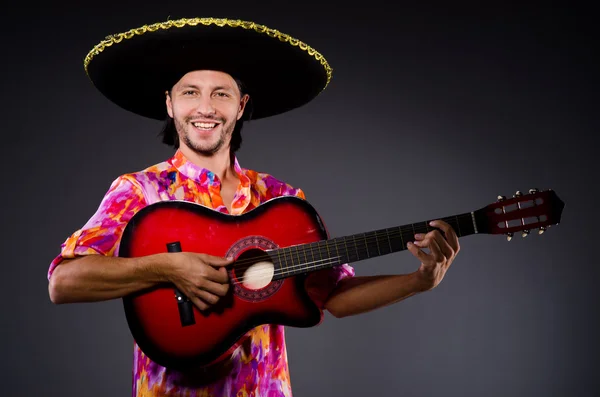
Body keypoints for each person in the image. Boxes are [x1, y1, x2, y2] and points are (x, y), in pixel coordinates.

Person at [47, 17, 460, 396]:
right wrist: (165, 267)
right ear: (170, 104)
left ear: (241, 106)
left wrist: (418, 281)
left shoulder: (281, 199)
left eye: (220, 94)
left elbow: (334, 295)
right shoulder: (139, 190)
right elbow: (64, 283)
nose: (205, 108)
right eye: (190, 92)